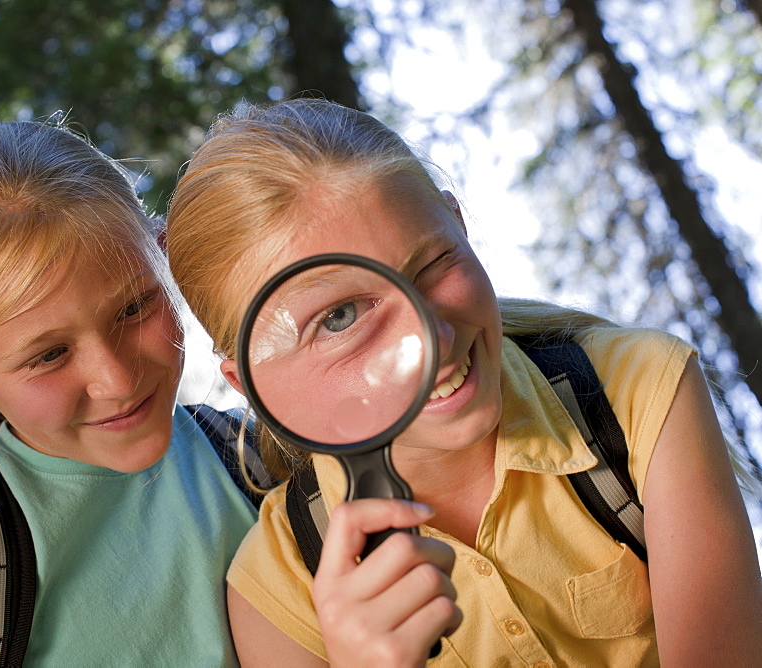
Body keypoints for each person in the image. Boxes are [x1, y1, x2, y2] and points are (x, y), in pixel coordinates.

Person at [165, 98, 762, 666]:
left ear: (458, 224)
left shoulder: (633, 394)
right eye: (340, 318)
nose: (434, 341)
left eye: (432, 265)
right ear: (251, 386)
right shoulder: (282, 584)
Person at [0, 119, 258, 666]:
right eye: (49, 356)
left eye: (134, 308)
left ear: (162, 256)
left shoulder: (263, 463)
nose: (118, 380)